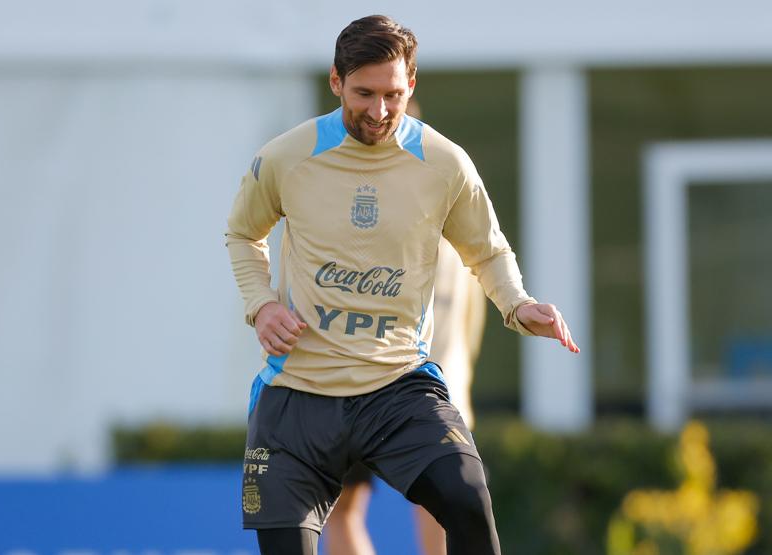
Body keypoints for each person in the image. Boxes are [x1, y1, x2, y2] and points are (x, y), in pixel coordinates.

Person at [225, 15, 578, 555]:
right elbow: (243, 234)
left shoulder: (445, 163)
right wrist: (262, 305)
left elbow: (486, 249)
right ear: (336, 81)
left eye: (392, 94)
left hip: (398, 386)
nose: (379, 111)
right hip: (298, 393)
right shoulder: (286, 157)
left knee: (467, 501)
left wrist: (518, 303)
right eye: (364, 93)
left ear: (411, 83)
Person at [322, 237, 487, 555]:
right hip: (443, 388)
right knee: (441, 505)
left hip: (359, 382)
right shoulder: (465, 235)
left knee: (344, 511)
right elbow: (471, 326)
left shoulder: (378, 218)